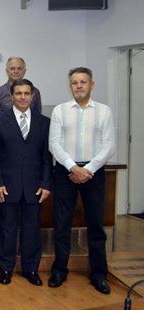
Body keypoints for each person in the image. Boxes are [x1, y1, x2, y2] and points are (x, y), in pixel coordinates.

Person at [48, 67, 115, 295]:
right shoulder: (60, 110)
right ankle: (59, 270)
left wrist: (88, 169)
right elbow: (54, 144)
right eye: (74, 82)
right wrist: (73, 167)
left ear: (91, 85)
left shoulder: (104, 111)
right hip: (65, 171)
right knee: (62, 224)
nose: (78, 86)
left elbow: (109, 145)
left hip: (93, 173)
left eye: (83, 82)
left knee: (96, 226)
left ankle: (99, 274)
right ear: (70, 86)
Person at [0, 79, 51, 286]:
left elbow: (46, 157)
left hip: (34, 187)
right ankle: (6, 268)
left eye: (27, 93)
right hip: (6, 186)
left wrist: (46, 183)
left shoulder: (44, 122)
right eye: (19, 93)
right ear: (11, 96)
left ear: (33, 95)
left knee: (32, 229)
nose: (23, 97)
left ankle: (31, 269)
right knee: (6, 229)